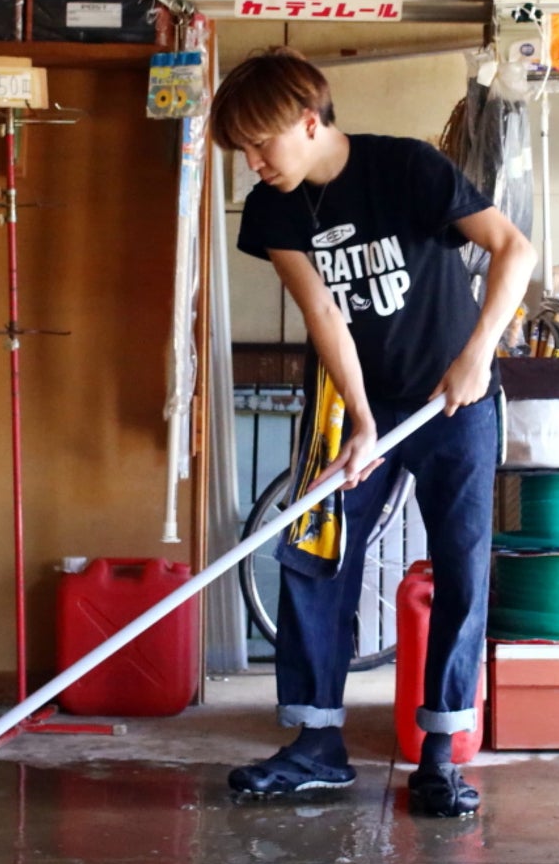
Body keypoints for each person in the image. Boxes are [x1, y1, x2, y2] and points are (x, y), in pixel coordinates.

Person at [211, 47, 535, 818]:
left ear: (309, 121)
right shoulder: (276, 208)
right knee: (315, 550)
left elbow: (513, 250)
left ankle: (440, 755)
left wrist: (476, 357)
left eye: (262, 145)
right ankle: (317, 743)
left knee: (460, 568)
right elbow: (324, 315)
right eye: (244, 152)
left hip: (454, 402)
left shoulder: (410, 171)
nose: (253, 163)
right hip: (358, 404)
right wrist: (360, 422)